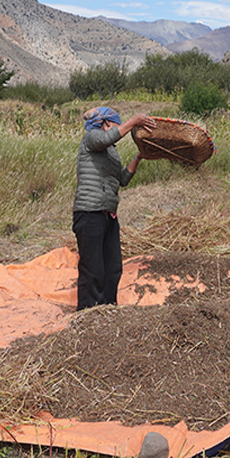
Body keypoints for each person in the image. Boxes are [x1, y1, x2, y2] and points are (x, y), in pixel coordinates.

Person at [73, 106, 156, 311]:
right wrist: (133, 121)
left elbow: (123, 179)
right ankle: (88, 314)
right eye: (115, 125)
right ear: (106, 123)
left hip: (108, 214)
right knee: (93, 269)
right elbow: (105, 138)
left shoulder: (110, 152)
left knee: (112, 268)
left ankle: (108, 311)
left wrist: (139, 156)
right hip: (90, 212)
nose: (118, 130)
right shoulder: (92, 137)